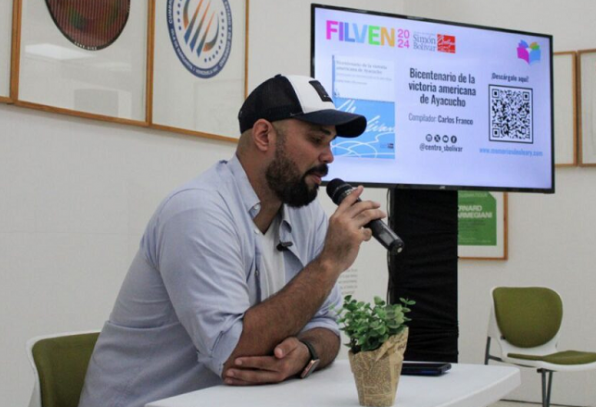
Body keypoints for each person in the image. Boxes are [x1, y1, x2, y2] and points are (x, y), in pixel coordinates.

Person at [79, 74, 384, 407]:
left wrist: (306, 351)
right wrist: (329, 262)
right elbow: (232, 353)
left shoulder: (304, 212)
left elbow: (328, 325)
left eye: (331, 143)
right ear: (264, 135)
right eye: (316, 139)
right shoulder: (197, 211)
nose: (329, 157)